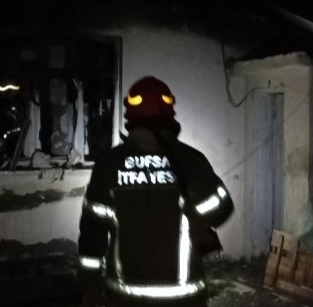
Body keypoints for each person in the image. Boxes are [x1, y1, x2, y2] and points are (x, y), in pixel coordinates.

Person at [77, 76, 234, 307]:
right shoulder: (190, 160)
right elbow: (220, 213)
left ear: (129, 116)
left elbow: (92, 234)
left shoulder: (109, 165)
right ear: (170, 114)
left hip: (124, 298)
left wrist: (89, 286)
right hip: (183, 299)